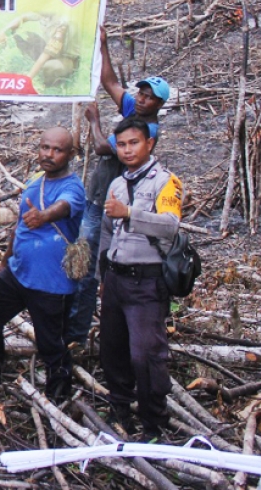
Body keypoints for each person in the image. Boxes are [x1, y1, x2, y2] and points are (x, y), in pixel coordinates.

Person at [69, 26, 170, 346]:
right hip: (99, 196)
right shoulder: (134, 110)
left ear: (158, 104)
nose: (141, 98)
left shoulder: (146, 126)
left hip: (107, 205)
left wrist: (94, 121)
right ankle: (78, 326)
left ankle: (77, 332)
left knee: (86, 267)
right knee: (83, 261)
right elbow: (110, 82)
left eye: (148, 96)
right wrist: (103, 46)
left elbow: (101, 148)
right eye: (140, 93)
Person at [0, 127, 85, 402]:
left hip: (51, 282)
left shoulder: (73, 186)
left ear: (70, 154)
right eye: (45, 148)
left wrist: (45, 216)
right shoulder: (36, 182)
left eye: (57, 150)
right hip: (17, 273)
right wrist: (5, 261)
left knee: (52, 342)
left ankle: (58, 398)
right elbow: (19, 226)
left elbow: (65, 206)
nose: (49, 154)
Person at [99, 117, 182, 442]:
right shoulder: (117, 184)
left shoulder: (166, 182)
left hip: (147, 282)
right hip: (116, 280)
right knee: (113, 350)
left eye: (134, 143)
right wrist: (103, 274)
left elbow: (171, 226)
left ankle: (153, 423)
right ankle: (119, 409)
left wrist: (131, 213)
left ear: (149, 144)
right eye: (121, 144)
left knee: (145, 356)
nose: (127, 150)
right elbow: (107, 232)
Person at [1, 12, 77, 87]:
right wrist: (3, 32)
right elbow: (23, 17)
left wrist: (28, 78)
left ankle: (47, 85)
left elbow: (48, 52)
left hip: (67, 58)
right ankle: (36, 70)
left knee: (51, 66)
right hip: (50, 50)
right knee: (26, 36)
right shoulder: (45, 13)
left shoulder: (64, 22)